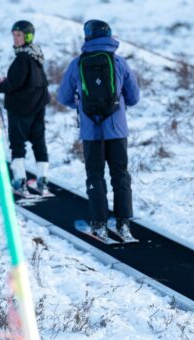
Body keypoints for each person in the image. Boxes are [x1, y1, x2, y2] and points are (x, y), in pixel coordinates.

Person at [56, 19, 141, 241]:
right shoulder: (119, 62)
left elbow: (63, 96)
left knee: (95, 175)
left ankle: (99, 223)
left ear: (87, 37)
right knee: (120, 175)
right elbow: (134, 97)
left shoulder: (77, 64)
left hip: (91, 131)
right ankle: (123, 223)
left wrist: (81, 104)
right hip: (117, 130)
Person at [0, 20, 50, 195]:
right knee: (39, 143)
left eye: (19, 35)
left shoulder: (23, 58)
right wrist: (7, 83)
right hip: (38, 106)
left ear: (28, 36)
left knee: (17, 145)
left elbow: (16, 83)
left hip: (21, 108)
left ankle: (19, 182)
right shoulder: (36, 55)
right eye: (14, 35)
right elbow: (30, 81)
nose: (15, 39)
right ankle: (43, 181)